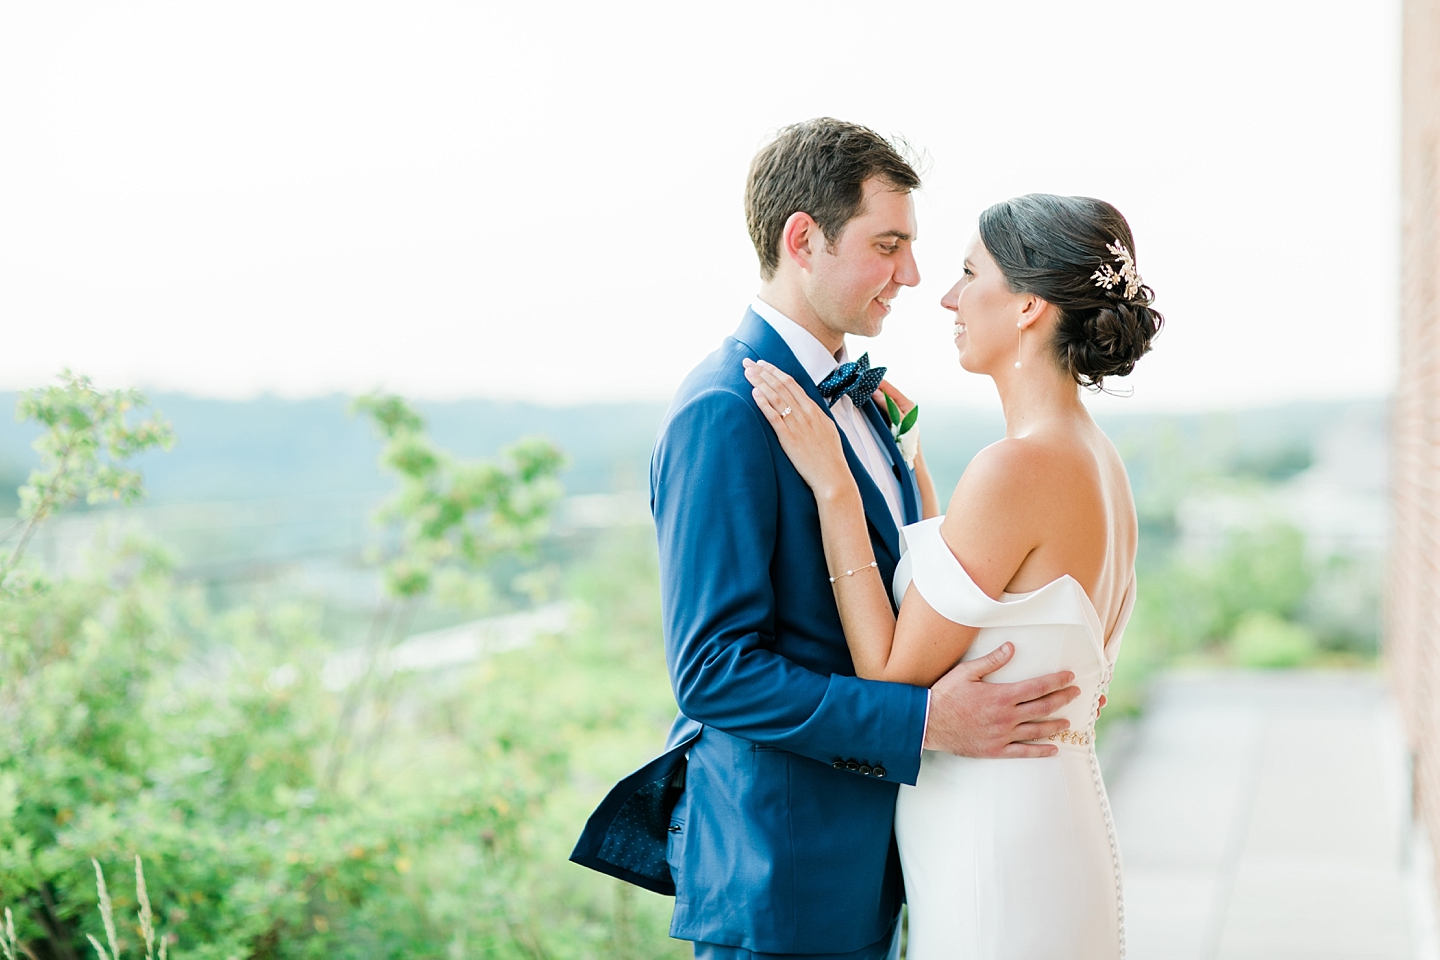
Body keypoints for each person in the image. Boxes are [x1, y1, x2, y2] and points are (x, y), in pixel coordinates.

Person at [572, 119, 1085, 959]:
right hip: (783, 873)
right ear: (803, 239)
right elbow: (713, 674)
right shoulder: (724, 411)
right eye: (888, 245)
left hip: (872, 860)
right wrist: (925, 722)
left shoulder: (867, 403)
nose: (912, 276)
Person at [742, 193, 1163, 958]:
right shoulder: (1094, 460)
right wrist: (913, 465)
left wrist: (838, 488)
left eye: (970, 274)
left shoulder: (1017, 468)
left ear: (1030, 305)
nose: (946, 295)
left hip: (994, 840)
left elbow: (890, 669)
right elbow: (972, 591)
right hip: (1046, 818)